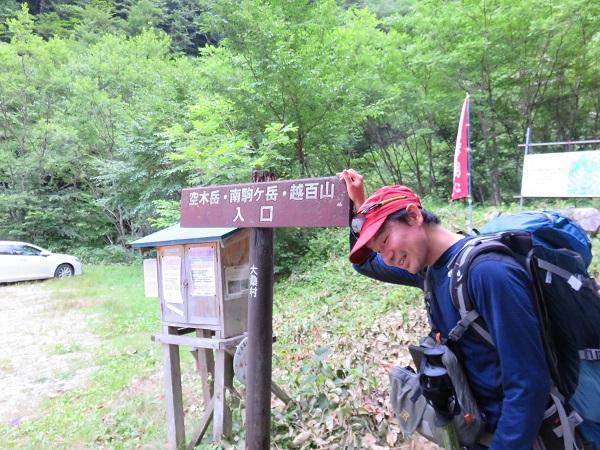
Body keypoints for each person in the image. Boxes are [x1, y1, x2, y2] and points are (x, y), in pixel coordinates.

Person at [337, 169, 553, 450]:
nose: (387, 259)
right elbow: (363, 264)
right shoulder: (426, 270)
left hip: (521, 437)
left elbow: (529, 384)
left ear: (414, 216)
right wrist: (359, 208)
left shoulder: (488, 274)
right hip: (478, 430)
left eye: (386, 240)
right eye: (380, 251)